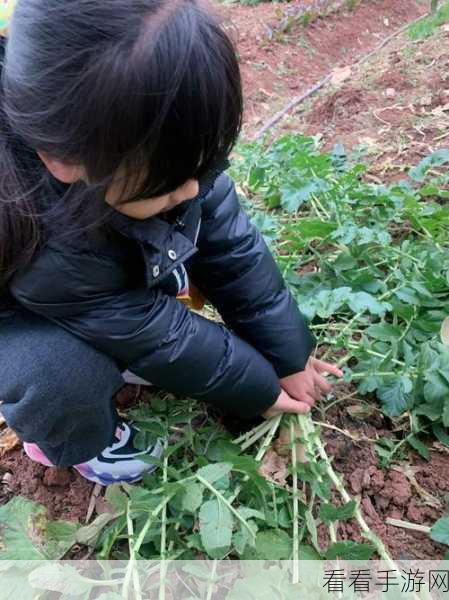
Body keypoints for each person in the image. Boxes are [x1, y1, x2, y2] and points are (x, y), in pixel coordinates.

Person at [0, 0, 342, 486]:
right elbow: (151, 329)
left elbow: (234, 251)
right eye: (167, 182)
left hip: (84, 284)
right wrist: (259, 388)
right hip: (18, 305)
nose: (191, 190)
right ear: (61, 160)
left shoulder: (158, 158)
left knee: (169, 248)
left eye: (201, 167)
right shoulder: (41, 236)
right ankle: (74, 442)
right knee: (60, 373)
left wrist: (288, 353)